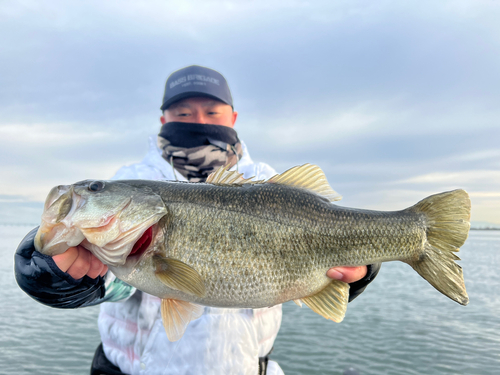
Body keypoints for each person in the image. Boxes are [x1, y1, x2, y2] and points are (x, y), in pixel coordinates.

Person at [15, 65, 381, 375]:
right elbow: (115, 284)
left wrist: (364, 267)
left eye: (211, 111)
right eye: (184, 113)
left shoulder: (269, 180)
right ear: (164, 120)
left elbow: (329, 233)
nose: (198, 121)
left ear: (233, 117)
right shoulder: (133, 176)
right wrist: (53, 273)